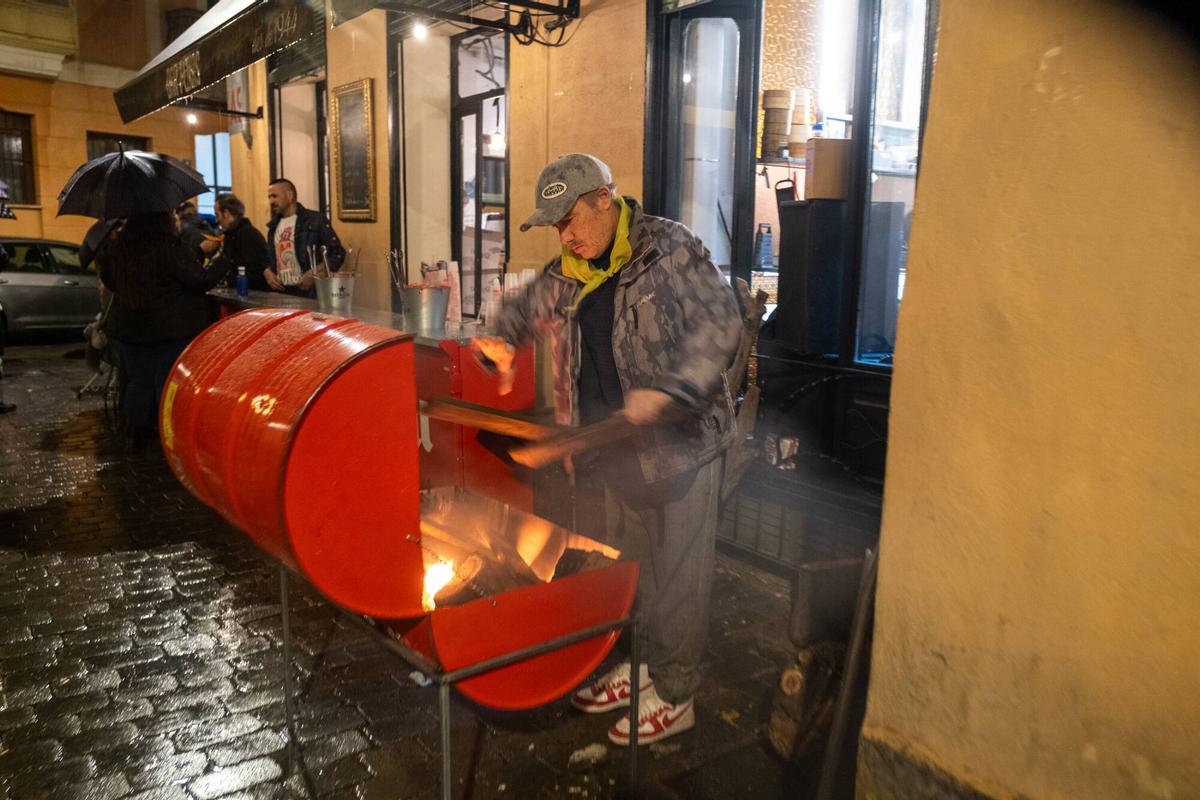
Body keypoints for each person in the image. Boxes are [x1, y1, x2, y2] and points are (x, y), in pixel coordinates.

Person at [473, 153, 741, 746]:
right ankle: (645, 663)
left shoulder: (669, 248)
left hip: (684, 443)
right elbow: (524, 308)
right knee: (636, 567)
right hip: (618, 450)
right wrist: (498, 339)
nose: (565, 235)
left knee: (679, 573)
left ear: (604, 199)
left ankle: (675, 693)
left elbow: (722, 322)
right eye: (555, 226)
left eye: (570, 219)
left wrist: (672, 390)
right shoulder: (569, 267)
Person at [98, 212, 225, 450]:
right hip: (170, 330)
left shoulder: (119, 247)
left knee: (138, 382)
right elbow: (199, 279)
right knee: (166, 384)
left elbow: (110, 279)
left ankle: (133, 434)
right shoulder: (168, 246)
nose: (175, 218)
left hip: (131, 330)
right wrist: (224, 261)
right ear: (161, 220)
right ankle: (168, 437)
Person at [265, 178, 345, 297]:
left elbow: (337, 253)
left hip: (308, 293)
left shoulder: (314, 220)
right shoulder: (273, 226)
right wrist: (267, 271)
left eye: (275, 196)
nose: (271, 201)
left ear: (289, 195)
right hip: (282, 292)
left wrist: (316, 274)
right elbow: (271, 257)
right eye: (269, 197)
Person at [200, 193, 271, 291]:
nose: (216, 221)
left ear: (226, 213)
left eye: (217, 215)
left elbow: (253, 271)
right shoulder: (233, 234)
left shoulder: (245, 235)